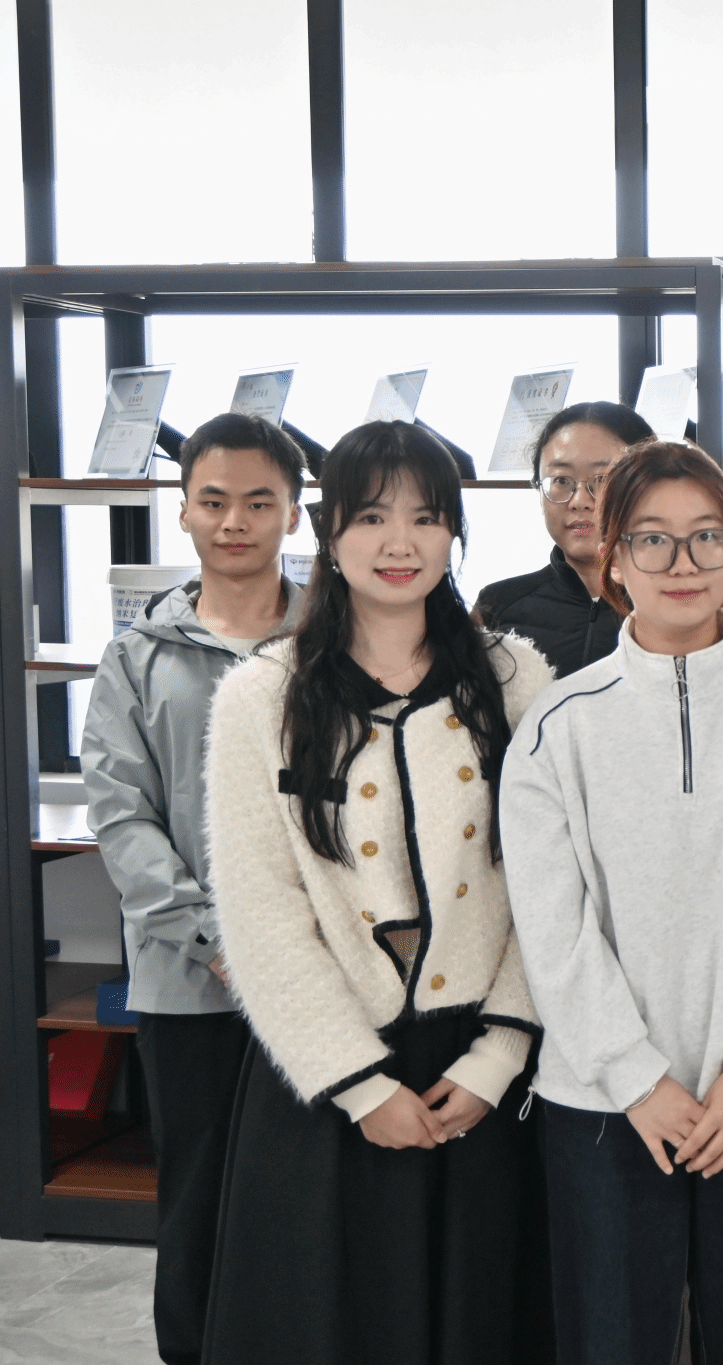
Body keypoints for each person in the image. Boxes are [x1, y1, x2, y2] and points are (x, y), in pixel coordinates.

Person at [201, 420, 554, 1365]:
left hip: (478, 1061)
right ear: (328, 530)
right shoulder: (260, 697)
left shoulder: (514, 679)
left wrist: (501, 1052)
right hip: (328, 1068)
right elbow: (261, 910)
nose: (401, 542)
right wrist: (358, 1083)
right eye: (371, 517)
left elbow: (553, 885)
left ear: (455, 533)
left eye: (426, 518)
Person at [501, 439, 723, 1365]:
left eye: (708, 537)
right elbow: (553, 927)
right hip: (604, 1097)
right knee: (612, 1339)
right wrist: (636, 1078)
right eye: (652, 538)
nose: (683, 562)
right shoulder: (558, 724)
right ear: (613, 556)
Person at [82, 413, 308, 1365]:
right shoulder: (136, 656)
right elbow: (120, 816)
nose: (235, 521)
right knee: (197, 1198)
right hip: (191, 983)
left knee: (311, 1201)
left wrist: (292, 943)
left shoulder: (333, 643)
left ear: (294, 512)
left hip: (321, 975)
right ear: (182, 511)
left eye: (259, 501)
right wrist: (216, 937)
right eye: (214, 501)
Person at [475, 401, 654, 676]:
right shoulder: (497, 605)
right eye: (560, 480)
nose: (579, 501)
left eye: (603, 479)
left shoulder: (677, 599)